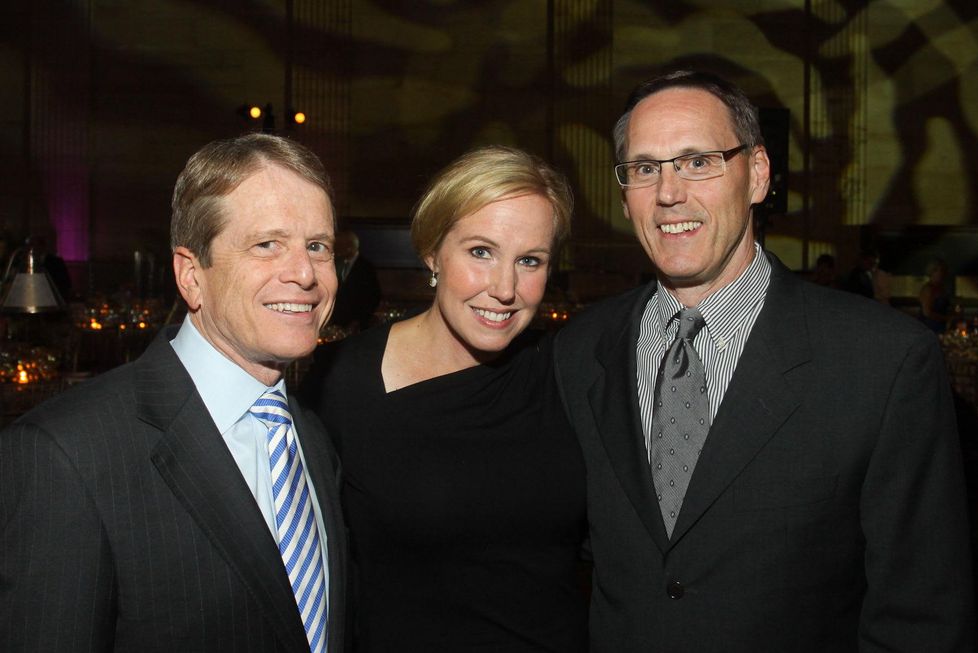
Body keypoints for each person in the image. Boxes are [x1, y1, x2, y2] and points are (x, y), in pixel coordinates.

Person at [553, 70, 975, 652]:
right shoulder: (579, 351)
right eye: (645, 168)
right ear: (625, 194)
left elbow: (922, 611)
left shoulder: (882, 361)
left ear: (757, 175)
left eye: (698, 161)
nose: (668, 192)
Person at [1, 133, 348, 652]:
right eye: (267, 244)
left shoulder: (313, 436)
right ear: (191, 275)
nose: (305, 274)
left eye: (317, 246)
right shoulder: (63, 455)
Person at [301, 145, 588, 652]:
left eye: (530, 260)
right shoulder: (342, 381)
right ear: (432, 252)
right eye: (481, 252)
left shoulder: (567, 371)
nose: (505, 288)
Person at [329, 228, 381, 330]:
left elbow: (373, 297)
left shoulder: (366, 268)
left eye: (340, 245)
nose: (336, 249)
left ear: (349, 247)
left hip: (357, 325)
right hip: (337, 323)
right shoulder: (337, 264)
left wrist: (359, 320)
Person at [919, 257, 952, 333]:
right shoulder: (928, 289)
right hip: (930, 327)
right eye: (938, 270)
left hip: (941, 327)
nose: (941, 273)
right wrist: (946, 318)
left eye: (943, 271)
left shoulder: (941, 288)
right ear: (931, 272)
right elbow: (926, 313)